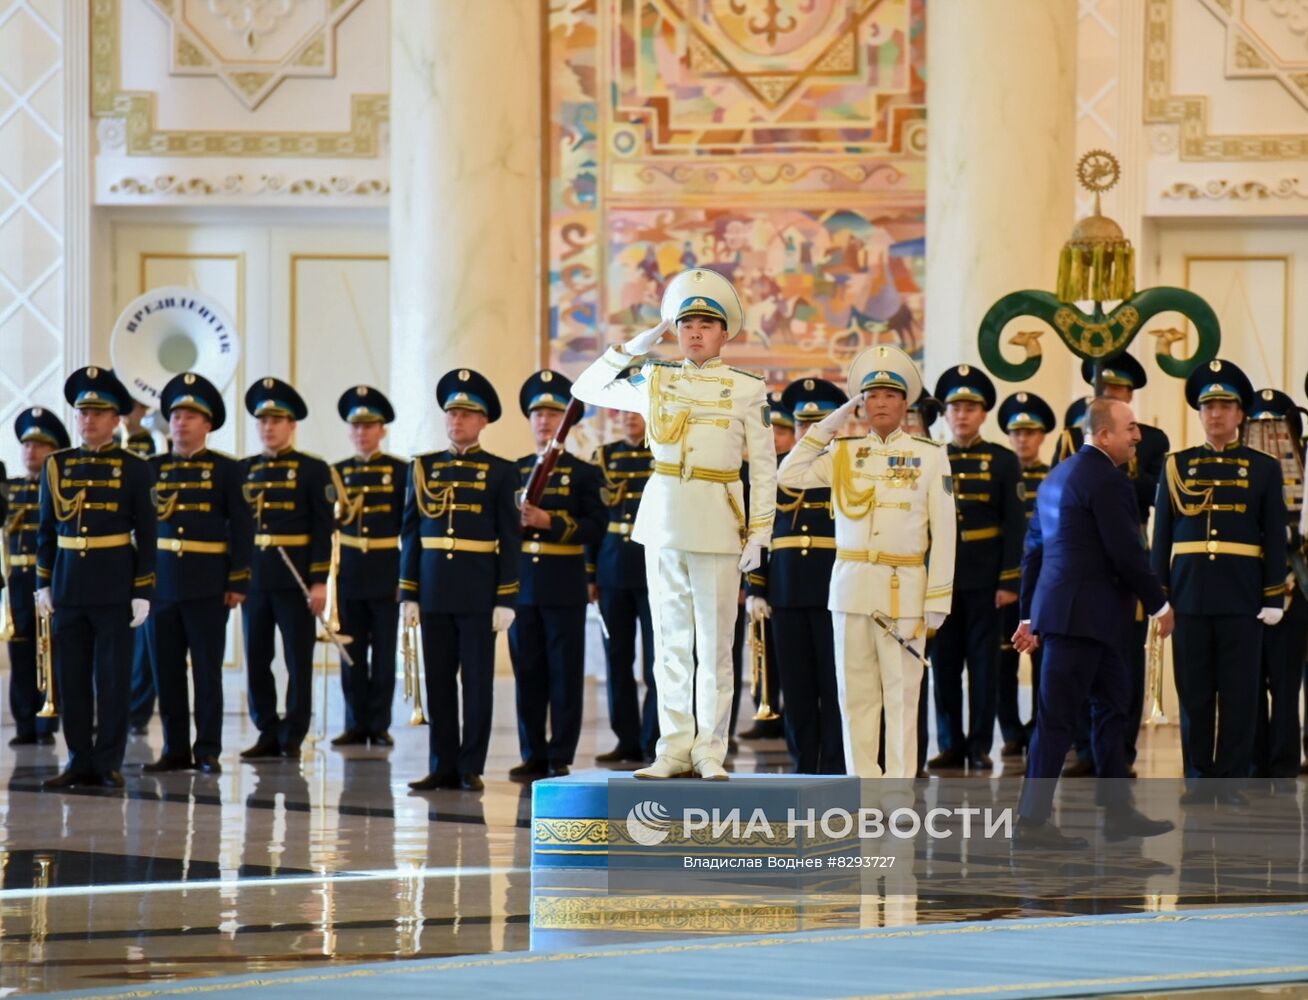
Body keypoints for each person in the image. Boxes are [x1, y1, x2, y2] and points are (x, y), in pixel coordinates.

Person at [571, 268, 776, 781]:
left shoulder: (747, 388)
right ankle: (672, 748)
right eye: (686, 324)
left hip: (720, 520)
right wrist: (641, 342)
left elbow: (766, 467)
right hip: (664, 521)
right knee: (669, 644)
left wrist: (762, 531)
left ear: (725, 332)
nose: (695, 332)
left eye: (706, 323)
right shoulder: (655, 378)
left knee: (714, 645)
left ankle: (710, 749)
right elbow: (587, 386)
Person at [778, 346, 955, 779]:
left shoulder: (930, 456)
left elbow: (946, 532)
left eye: (889, 395)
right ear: (860, 403)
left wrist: (939, 597)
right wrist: (831, 423)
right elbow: (789, 474)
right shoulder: (842, 454)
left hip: (904, 590)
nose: (880, 403)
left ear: (904, 403)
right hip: (851, 587)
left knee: (900, 696)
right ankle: (863, 787)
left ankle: (897, 791)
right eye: (871, 395)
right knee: (854, 696)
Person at [1013, 397, 1175, 849]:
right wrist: (1160, 605)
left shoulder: (1057, 475)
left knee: (1111, 710)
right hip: (1085, 620)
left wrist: (1029, 615)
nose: (1137, 435)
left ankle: (1118, 811)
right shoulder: (1107, 480)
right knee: (1057, 721)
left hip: (1080, 620)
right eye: (1130, 428)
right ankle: (1031, 823)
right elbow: (1126, 552)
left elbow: (1033, 553)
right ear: (1104, 435)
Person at [1152, 360, 1286, 793]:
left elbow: (1274, 535)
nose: (1216, 414)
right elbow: (1161, 540)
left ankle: (1232, 778)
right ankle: (1197, 776)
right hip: (1189, 597)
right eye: (1209, 405)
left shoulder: (1264, 468)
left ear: (1240, 414)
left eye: (1225, 405)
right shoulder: (1176, 466)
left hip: (1242, 596)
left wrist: (1272, 595)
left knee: (1240, 694)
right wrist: (1161, 596)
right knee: (1194, 693)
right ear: (1200, 412)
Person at [400, 369, 520, 792]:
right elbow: (410, 534)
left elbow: (510, 538)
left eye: (467, 414)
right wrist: (408, 592)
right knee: (438, 682)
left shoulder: (502, 472)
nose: (457, 421)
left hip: (478, 593)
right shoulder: (422, 468)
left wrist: (507, 598)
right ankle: (442, 765)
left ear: (484, 421)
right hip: (433, 592)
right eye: (452, 413)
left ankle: (471, 766)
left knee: (476, 684)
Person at [37, 366, 156, 789]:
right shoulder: (56, 466)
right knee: (72, 679)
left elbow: (148, 532)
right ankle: (77, 758)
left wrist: (142, 590)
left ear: (115, 418)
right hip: (69, 588)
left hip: (114, 587)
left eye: (98, 413)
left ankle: (107, 760)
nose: (89, 420)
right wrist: (43, 581)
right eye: (83, 413)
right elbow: (46, 531)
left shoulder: (136, 468)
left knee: (112, 679)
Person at [144, 373, 253, 774]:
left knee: (207, 672)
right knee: (167, 673)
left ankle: (207, 749)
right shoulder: (151, 469)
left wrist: (238, 580)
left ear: (207, 424)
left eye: (191, 416)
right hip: (162, 586)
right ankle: (174, 749)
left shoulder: (227, 470)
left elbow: (243, 528)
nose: (181, 423)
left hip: (209, 586)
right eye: (175, 415)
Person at [508, 370, 606, 780]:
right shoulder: (514, 471)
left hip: (562, 582)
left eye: (552, 412)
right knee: (527, 673)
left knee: (565, 675)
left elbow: (595, 525)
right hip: (521, 587)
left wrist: (551, 520)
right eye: (538, 414)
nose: (544, 421)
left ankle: (559, 753)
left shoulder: (584, 473)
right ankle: (532, 753)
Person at [749, 377, 848, 774]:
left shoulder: (848, 469)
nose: (809, 432)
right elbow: (757, 531)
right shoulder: (772, 473)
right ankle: (803, 766)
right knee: (797, 687)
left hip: (833, 592)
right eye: (802, 425)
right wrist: (756, 586)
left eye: (818, 423)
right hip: (785, 592)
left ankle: (837, 767)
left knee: (834, 686)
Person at [928, 365, 1024, 771]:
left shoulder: (1002, 461)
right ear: (945, 414)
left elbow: (1015, 524)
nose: (962, 415)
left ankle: (979, 744)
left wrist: (1008, 580)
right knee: (945, 665)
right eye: (955, 407)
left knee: (984, 667)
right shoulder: (932, 458)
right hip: (942, 581)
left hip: (986, 581)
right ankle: (950, 743)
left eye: (970, 407)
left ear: (983, 413)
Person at [239, 378, 334, 761]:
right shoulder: (243, 470)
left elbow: (323, 528)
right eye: (263, 421)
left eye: (277, 420)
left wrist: (319, 581)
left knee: (297, 659)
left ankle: (293, 731)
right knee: (257, 657)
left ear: (292, 425)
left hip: (295, 579)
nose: (268, 427)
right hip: (255, 579)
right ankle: (266, 728)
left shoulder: (312, 469)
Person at [330, 386, 408, 749]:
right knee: (351, 654)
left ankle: (378, 724)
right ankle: (354, 723)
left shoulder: (400, 472)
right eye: (356, 427)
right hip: (349, 576)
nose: (362, 433)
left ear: (382, 430)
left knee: (383, 655)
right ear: (349, 431)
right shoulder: (336, 473)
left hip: (386, 573)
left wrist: (406, 580)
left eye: (369, 426)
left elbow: (409, 530)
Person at [590, 398, 659, 764]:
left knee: (656, 661)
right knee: (617, 658)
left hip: (654, 569)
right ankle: (626, 739)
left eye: (638, 410)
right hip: (612, 568)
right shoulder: (603, 458)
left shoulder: (662, 453)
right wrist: (590, 572)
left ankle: (654, 738)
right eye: (624, 410)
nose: (630, 417)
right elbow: (594, 519)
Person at [1245, 388, 1307, 781]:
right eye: (1258, 427)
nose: (1268, 436)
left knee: (1285, 684)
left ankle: (1283, 764)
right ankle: (1254, 763)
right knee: (1249, 684)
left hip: (1293, 586)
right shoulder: (1240, 468)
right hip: (1246, 587)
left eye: (1276, 428)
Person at [995, 391, 1054, 758]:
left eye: (1029, 433)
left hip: (1043, 585)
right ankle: (1010, 731)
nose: (1022, 439)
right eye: (1016, 433)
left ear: (1042, 436)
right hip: (1006, 581)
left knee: (1044, 660)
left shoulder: (1052, 478)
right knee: (1003, 660)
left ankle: (1039, 728)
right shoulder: (1001, 475)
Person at [5, 407, 68, 747]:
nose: (32, 451)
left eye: (40, 446)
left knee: (49, 652)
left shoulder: (58, 490)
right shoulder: (10, 489)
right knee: (20, 653)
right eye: (27, 445)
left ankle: (47, 722)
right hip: (15, 583)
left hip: (46, 581)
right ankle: (24, 724)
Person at [123, 401, 158, 735]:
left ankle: (137, 711)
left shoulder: (149, 441)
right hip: (112, 560)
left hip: (143, 558)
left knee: (144, 645)